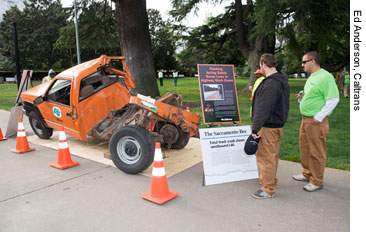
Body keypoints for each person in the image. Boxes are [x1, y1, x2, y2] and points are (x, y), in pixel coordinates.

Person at [293, 51, 339, 192]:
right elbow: (314, 95)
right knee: (305, 148)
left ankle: (317, 180)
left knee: (316, 151)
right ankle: (307, 173)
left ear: (313, 61)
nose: (302, 65)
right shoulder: (313, 76)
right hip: (306, 119)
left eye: (304, 62)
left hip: (315, 121)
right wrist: (302, 97)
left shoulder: (325, 77)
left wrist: (318, 117)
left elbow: (333, 99)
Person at [250, 53, 290, 199]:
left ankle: (268, 188)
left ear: (263, 64)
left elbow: (263, 108)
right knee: (272, 157)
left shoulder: (270, 84)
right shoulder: (280, 81)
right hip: (276, 125)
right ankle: (270, 180)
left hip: (268, 127)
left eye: (260, 65)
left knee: (266, 158)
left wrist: (255, 128)